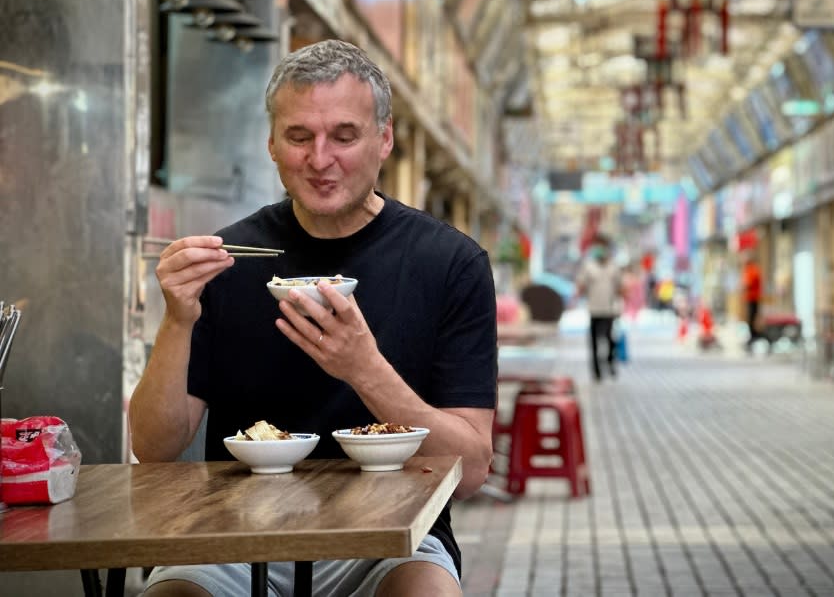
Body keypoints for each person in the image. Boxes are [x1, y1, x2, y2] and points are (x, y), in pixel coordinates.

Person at [129, 39, 497, 596]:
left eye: (344, 136)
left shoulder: (450, 263)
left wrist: (363, 367)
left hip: (391, 537)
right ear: (272, 144)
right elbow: (152, 448)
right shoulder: (229, 258)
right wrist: (177, 318)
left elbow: (469, 472)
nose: (320, 160)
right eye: (299, 137)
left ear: (385, 138)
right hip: (231, 534)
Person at [575, 235, 622, 381]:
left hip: (609, 309)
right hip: (594, 309)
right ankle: (596, 371)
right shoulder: (588, 266)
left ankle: (610, 362)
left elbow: (620, 288)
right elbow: (580, 286)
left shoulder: (614, 266)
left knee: (609, 339)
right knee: (594, 341)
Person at [741, 251, 763, 353]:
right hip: (750, 298)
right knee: (750, 318)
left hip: (753, 298)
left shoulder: (752, 270)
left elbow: (748, 283)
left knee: (752, 317)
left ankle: (754, 336)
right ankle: (752, 336)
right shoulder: (748, 269)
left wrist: (744, 285)